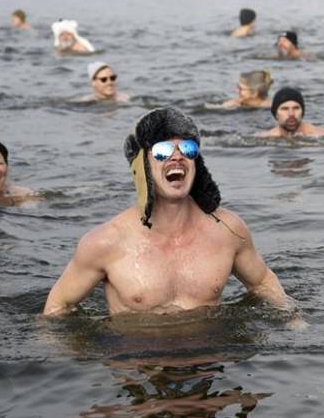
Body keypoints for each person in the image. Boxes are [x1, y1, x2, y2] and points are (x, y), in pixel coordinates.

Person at [42, 108, 296, 317]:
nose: (177, 158)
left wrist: (293, 320)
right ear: (141, 166)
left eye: (187, 149)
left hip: (208, 365)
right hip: (139, 367)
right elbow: (57, 308)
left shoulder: (227, 230)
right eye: (162, 151)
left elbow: (262, 281)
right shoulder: (105, 242)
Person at [258, 87, 324, 138]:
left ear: (302, 112)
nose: (291, 114)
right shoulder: (264, 138)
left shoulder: (323, 136)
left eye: (296, 108)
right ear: (275, 114)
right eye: (285, 109)